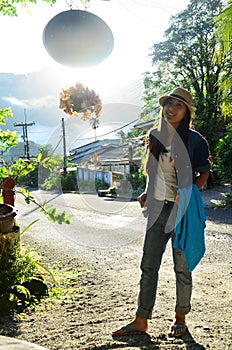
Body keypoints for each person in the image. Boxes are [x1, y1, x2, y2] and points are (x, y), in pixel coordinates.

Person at [112, 87, 210, 338]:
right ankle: (141, 320)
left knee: (182, 266)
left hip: (182, 211)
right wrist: (146, 192)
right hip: (157, 209)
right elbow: (152, 171)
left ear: (187, 111)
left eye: (178, 105)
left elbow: (204, 173)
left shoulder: (196, 140)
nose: (171, 108)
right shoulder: (154, 135)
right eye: (168, 103)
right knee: (149, 265)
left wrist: (187, 192)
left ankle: (180, 319)